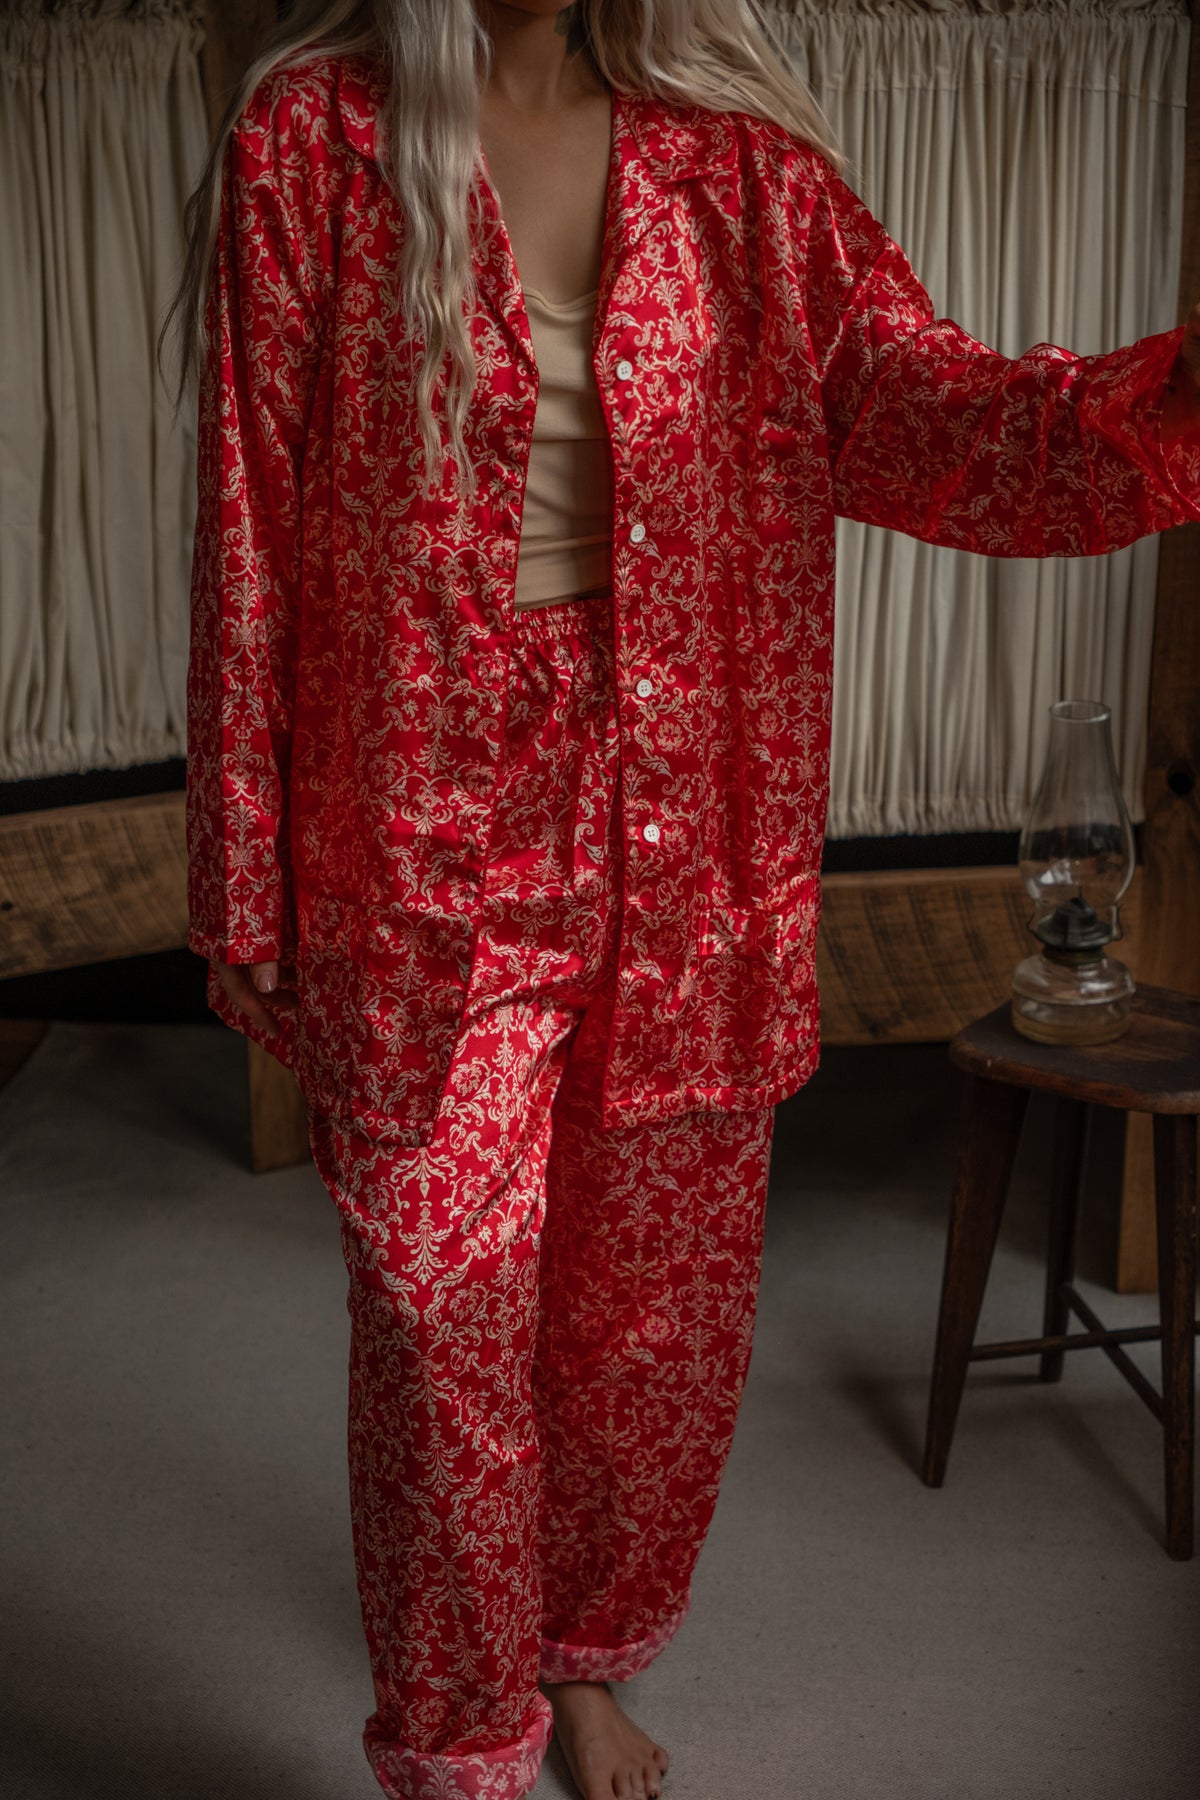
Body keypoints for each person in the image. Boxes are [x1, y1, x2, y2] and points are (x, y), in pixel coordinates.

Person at [172, 2, 1200, 1797]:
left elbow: (943, 419)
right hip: (416, 821)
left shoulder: (746, 172)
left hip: (691, 816)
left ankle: (579, 1659)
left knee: (645, 1315)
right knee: (431, 1304)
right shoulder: (312, 147)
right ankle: (460, 1744)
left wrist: (1174, 398)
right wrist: (242, 870)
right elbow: (248, 520)